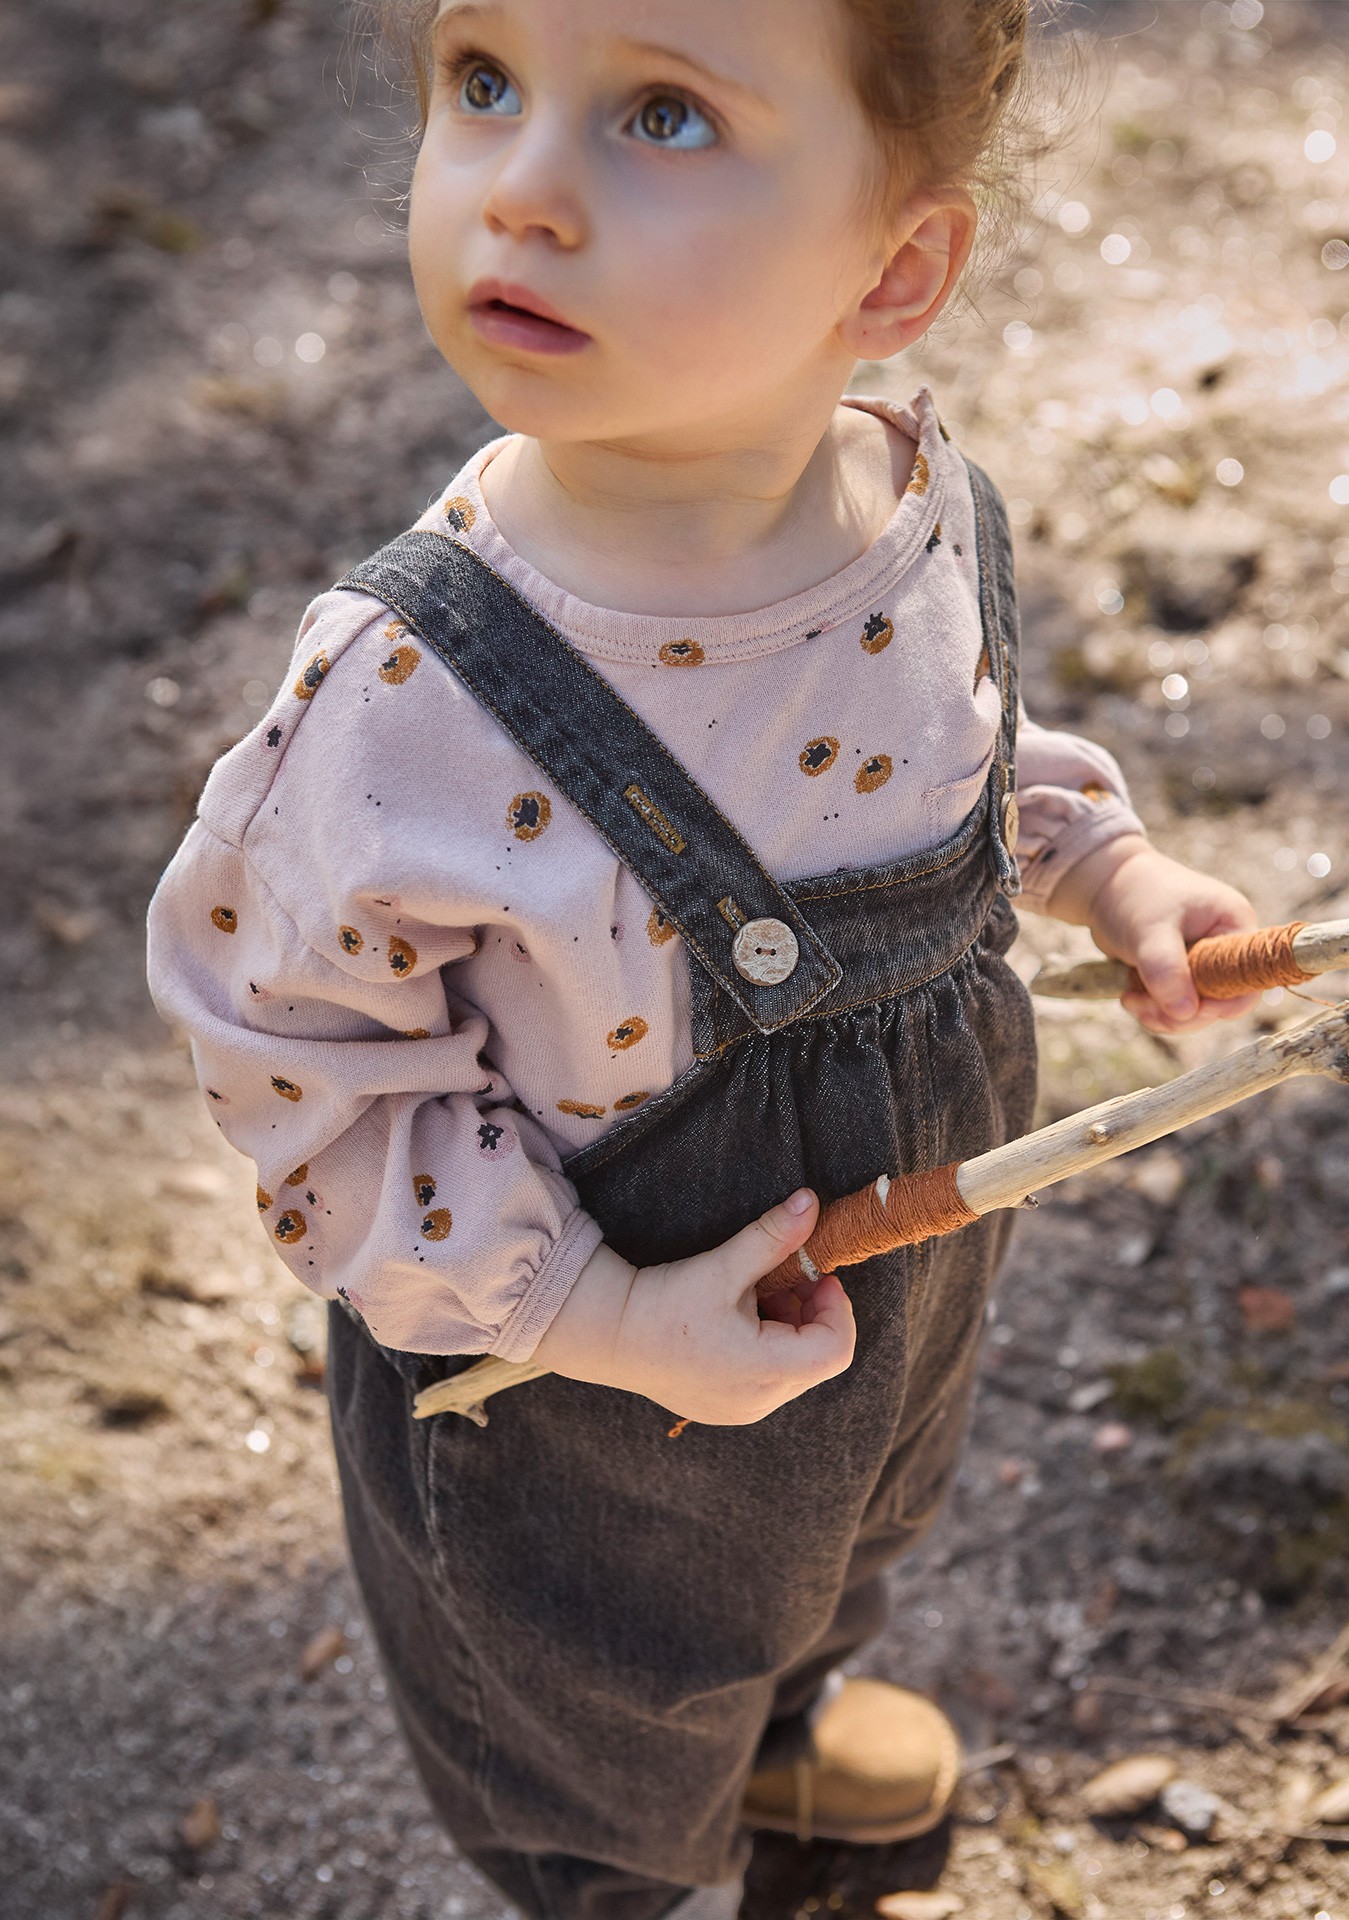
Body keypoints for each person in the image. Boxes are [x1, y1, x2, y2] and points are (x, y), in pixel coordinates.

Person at [147, 1, 1261, 1913]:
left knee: (842, 1535)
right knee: (600, 1715)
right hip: (569, 1385)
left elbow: (957, 757)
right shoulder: (413, 697)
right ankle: (629, 1878)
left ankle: (788, 1741)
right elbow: (295, 1067)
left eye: (660, 113)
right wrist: (584, 1312)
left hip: (892, 1279)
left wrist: (1108, 873)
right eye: (483, 84)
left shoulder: (908, 507)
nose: (526, 189)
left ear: (895, 267)